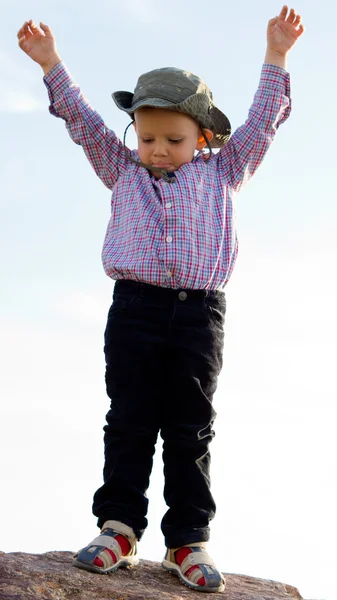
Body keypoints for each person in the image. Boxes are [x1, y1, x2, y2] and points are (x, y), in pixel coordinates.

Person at [17, 6, 304, 594]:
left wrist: (277, 55)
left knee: (190, 425)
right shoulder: (121, 171)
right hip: (135, 310)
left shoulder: (224, 172)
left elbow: (264, 122)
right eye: (147, 138)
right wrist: (51, 64)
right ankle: (119, 527)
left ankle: (187, 540)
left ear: (201, 137)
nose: (157, 149)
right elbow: (83, 121)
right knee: (128, 420)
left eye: (172, 139)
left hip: (200, 316)